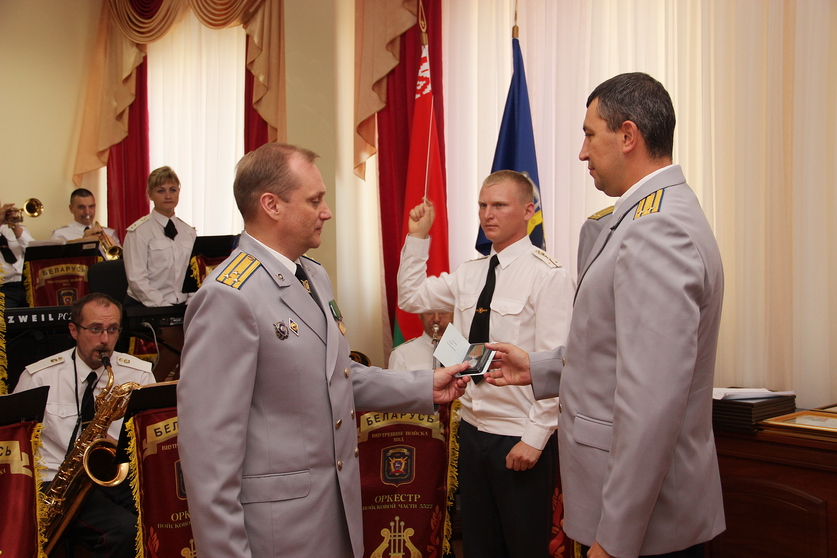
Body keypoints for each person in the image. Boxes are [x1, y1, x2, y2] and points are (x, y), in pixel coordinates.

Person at [176, 142, 469, 558]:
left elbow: (336, 376)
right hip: (276, 533)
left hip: (334, 515)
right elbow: (208, 455)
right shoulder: (229, 296)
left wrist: (424, 385)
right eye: (315, 200)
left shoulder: (313, 276)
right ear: (271, 205)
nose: (326, 212)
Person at [486, 73, 726, 558]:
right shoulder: (645, 218)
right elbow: (614, 350)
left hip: (639, 527)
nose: (582, 152)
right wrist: (540, 367)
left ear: (628, 135)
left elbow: (652, 403)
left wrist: (614, 542)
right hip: (633, 514)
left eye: (590, 134)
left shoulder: (656, 230)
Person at [397, 170, 575, 558]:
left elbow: (556, 365)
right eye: (482, 205)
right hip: (473, 430)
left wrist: (534, 438)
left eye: (499, 205)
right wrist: (418, 237)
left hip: (517, 434)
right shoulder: (470, 272)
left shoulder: (548, 275)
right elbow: (410, 296)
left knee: (524, 548)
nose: (487, 214)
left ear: (528, 210)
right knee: (479, 547)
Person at [13, 293, 154, 557]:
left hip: (116, 476)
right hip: (57, 482)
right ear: (74, 330)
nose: (105, 340)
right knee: (123, 530)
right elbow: (14, 447)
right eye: (96, 329)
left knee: (166, 515)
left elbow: (151, 439)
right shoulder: (38, 377)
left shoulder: (139, 374)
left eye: (113, 329)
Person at [123, 166, 196, 307]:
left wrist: (191, 304)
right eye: (161, 191)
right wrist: (163, 307)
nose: (168, 196)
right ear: (150, 194)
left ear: (179, 192)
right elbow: (137, 280)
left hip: (184, 305)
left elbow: (194, 275)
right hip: (147, 305)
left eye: (172, 190)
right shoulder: (138, 232)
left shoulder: (189, 232)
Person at [50, 188, 121, 257]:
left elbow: (119, 261)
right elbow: (59, 262)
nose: (87, 212)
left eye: (91, 206)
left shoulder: (109, 233)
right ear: (71, 209)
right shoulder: (60, 235)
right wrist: (82, 243)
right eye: (81, 207)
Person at [388, 311, 453, 370]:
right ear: (420, 315)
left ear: (453, 315)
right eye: (429, 312)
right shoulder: (401, 354)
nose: (436, 319)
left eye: (443, 312)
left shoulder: (460, 350)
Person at [0, 201, 34, 307]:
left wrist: (16, 227)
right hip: (3, 288)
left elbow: (34, 252)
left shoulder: (19, 229)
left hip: (26, 285)